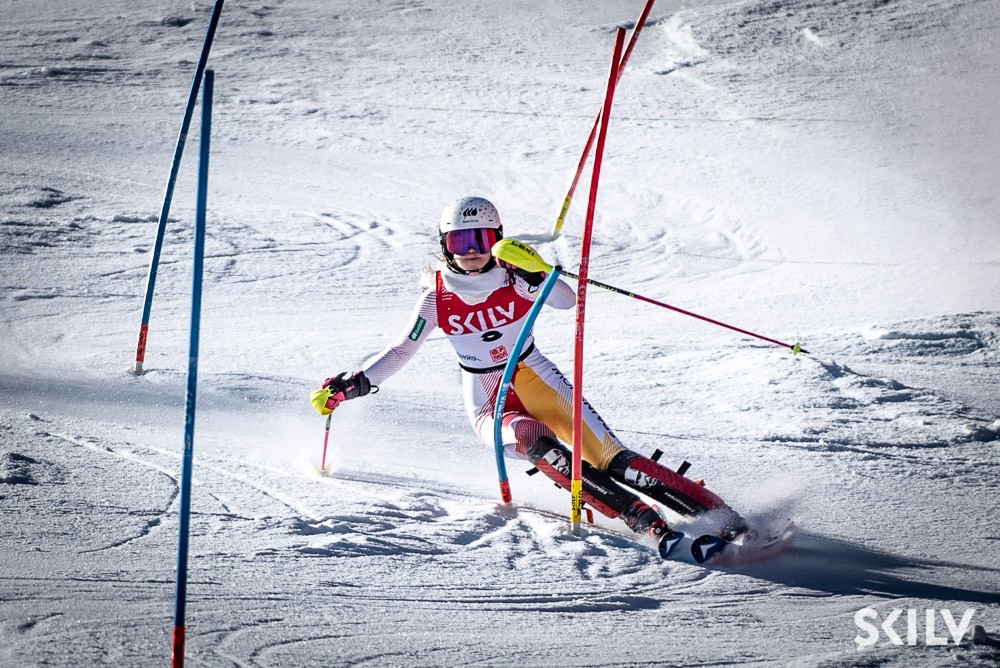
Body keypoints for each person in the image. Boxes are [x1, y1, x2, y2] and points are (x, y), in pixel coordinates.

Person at [310, 196, 747, 545]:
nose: (472, 252)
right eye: (460, 242)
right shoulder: (435, 298)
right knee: (536, 442)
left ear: (497, 240)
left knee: (612, 459)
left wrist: (538, 273)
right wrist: (355, 385)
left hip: (537, 377)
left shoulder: (515, 278)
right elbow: (403, 349)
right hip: (487, 400)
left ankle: (721, 516)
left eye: (481, 240)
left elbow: (565, 301)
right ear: (445, 246)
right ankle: (648, 523)